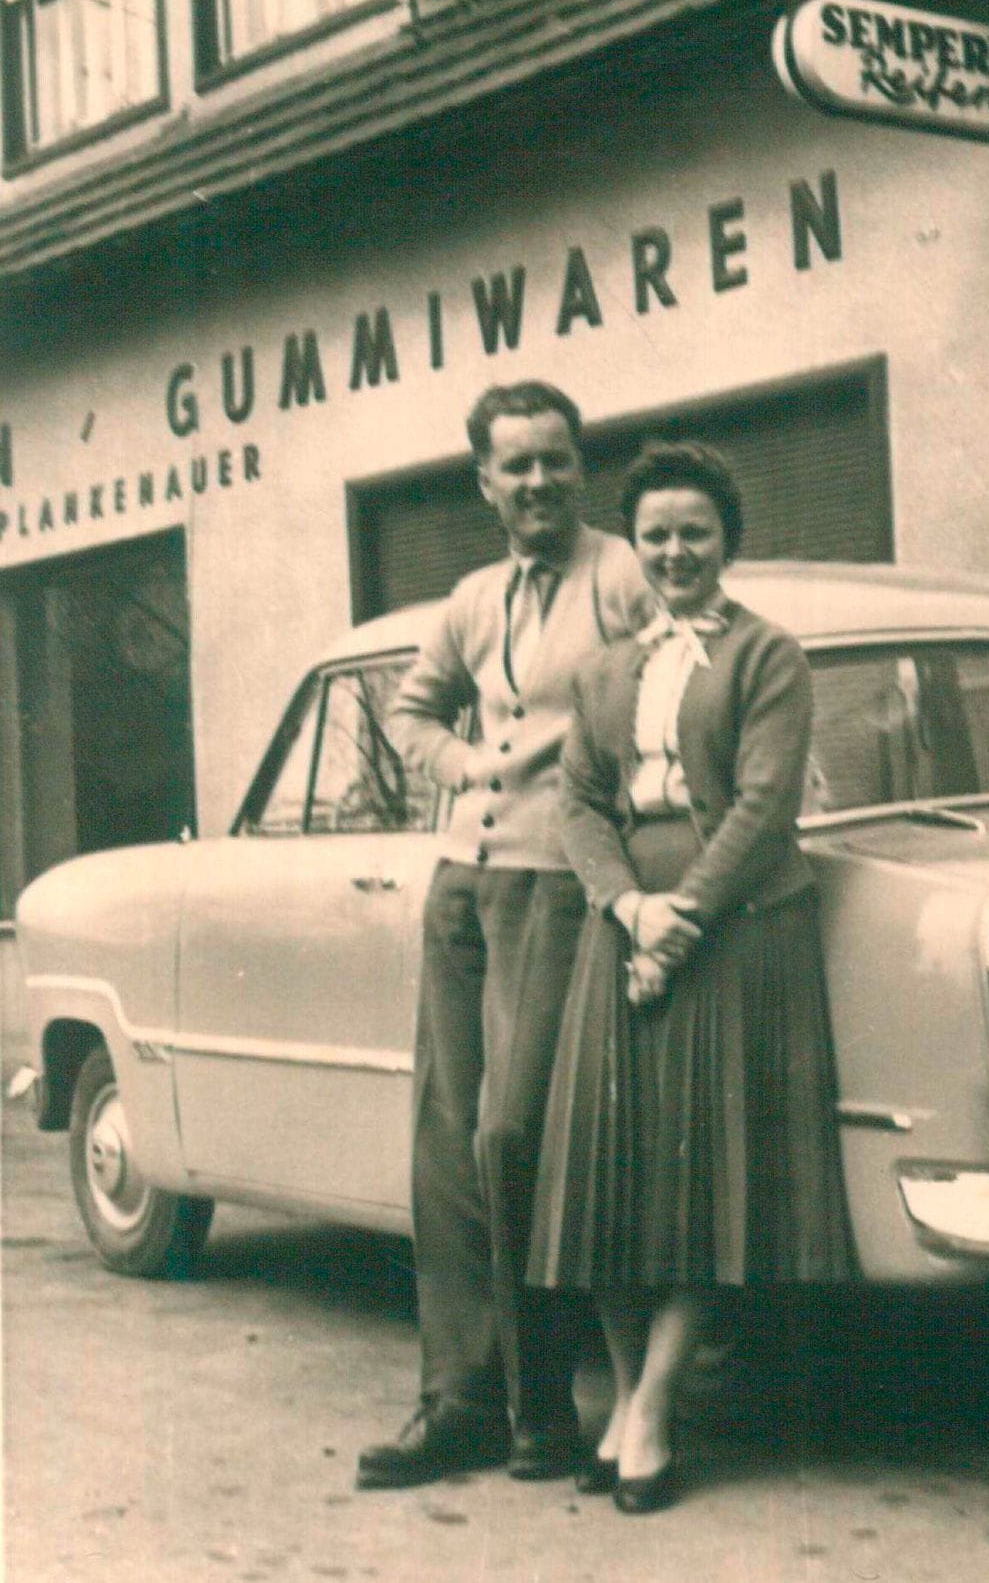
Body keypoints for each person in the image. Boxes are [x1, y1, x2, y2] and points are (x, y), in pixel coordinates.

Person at [527, 440, 852, 1514]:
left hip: (738, 931)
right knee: (611, 1180)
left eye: (694, 532)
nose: (674, 551)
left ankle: (656, 1407)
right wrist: (628, 906)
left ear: (727, 541)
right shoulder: (604, 669)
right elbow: (578, 802)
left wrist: (679, 922)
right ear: (637, 544)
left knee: (707, 1187)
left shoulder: (768, 655)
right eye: (655, 534)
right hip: (621, 925)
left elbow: (764, 805)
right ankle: (625, 1398)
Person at [356, 381, 651, 1491]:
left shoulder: (621, 574)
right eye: (515, 464)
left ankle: (542, 1409)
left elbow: (677, 686)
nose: (537, 481)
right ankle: (461, 1402)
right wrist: (462, 763)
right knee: (444, 1143)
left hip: (558, 884)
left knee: (512, 1133)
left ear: (582, 467)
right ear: (483, 481)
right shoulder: (473, 597)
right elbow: (411, 708)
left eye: (555, 460)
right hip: (461, 885)